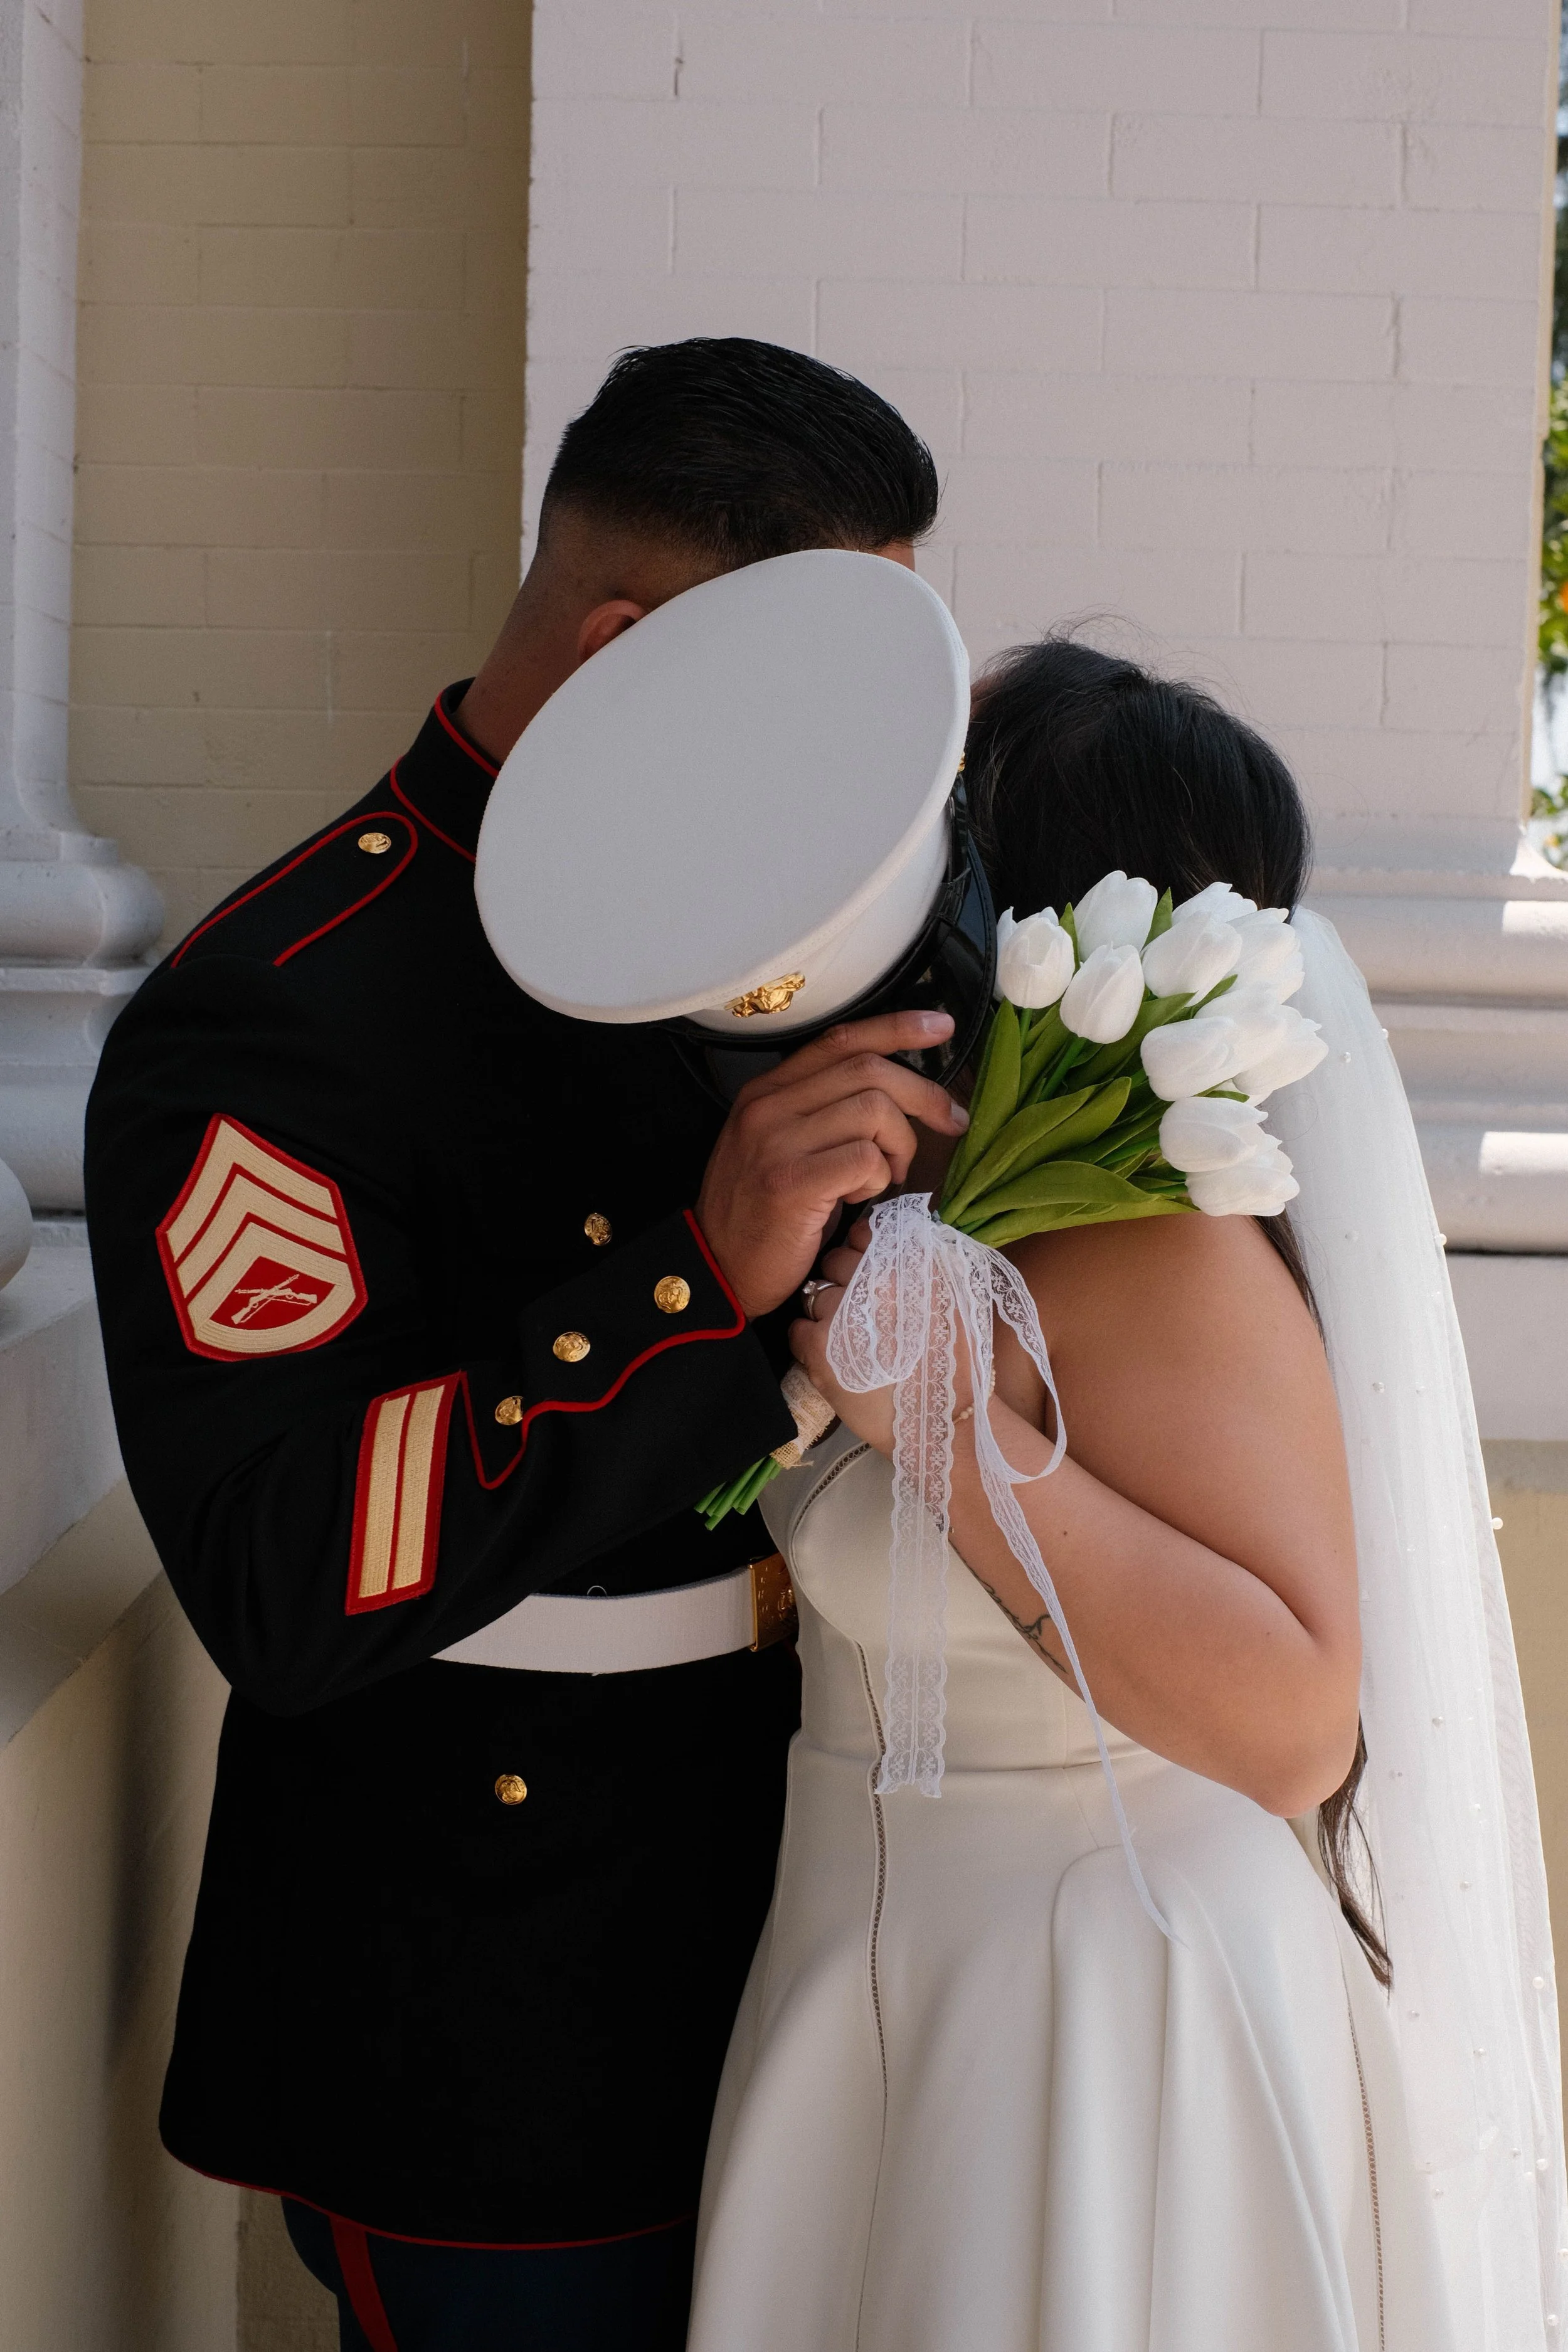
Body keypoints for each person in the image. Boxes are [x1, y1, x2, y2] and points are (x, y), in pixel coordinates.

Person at [82, 337, 973, 2352]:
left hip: (814, 1902)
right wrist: (693, 1272)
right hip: (496, 1985)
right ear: (626, 651)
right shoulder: (282, 1011)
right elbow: (284, 1570)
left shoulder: (791, 907)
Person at [687, 640, 1566, 2351]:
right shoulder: (953, 1215)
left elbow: (1295, 1722)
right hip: (891, 1959)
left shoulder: (1161, 1247)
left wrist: (945, 1430)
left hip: (1093, 2009)